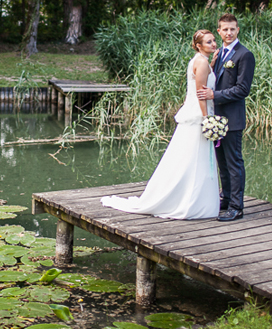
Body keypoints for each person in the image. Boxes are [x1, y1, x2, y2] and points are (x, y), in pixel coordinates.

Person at [100, 30, 220, 219]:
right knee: (195, 157)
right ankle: (190, 200)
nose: (214, 44)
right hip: (198, 115)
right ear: (199, 45)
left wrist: (213, 62)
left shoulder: (199, 60)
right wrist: (207, 119)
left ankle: (187, 197)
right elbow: (201, 94)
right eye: (209, 42)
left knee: (188, 158)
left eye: (214, 40)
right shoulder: (202, 62)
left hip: (193, 113)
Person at [197, 13, 255, 221]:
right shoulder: (220, 53)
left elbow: (242, 89)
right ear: (219, 31)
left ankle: (236, 208)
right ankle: (226, 198)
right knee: (221, 162)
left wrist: (215, 95)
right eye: (225, 29)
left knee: (234, 162)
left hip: (232, 118)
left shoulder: (244, 55)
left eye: (232, 29)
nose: (229, 33)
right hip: (217, 118)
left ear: (237, 30)